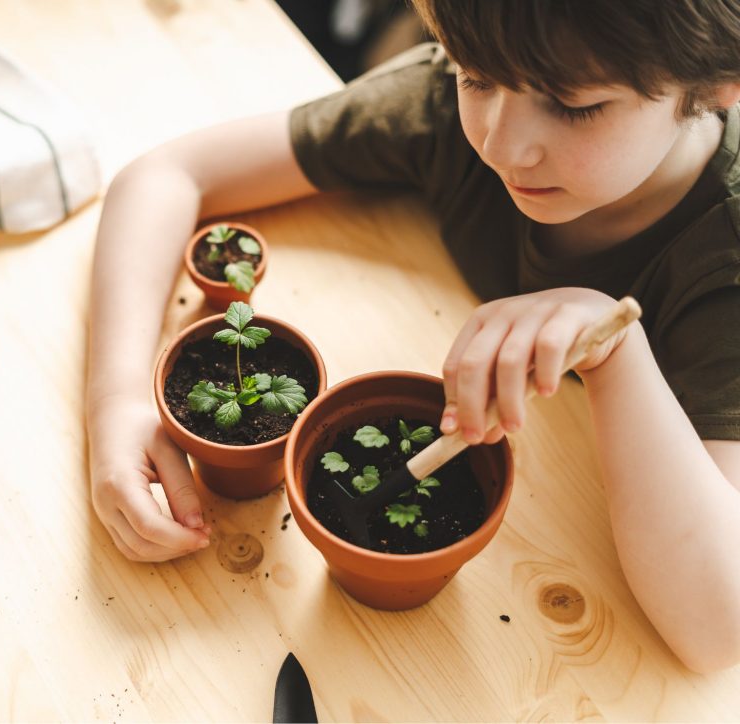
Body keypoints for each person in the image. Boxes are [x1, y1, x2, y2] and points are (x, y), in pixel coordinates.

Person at [85, 0, 740, 672]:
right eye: (474, 78)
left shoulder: (721, 261)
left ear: (719, 78)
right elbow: (164, 176)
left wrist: (613, 348)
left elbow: (717, 630)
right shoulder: (457, 87)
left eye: (572, 105)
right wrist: (118, 401)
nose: (501, 144)